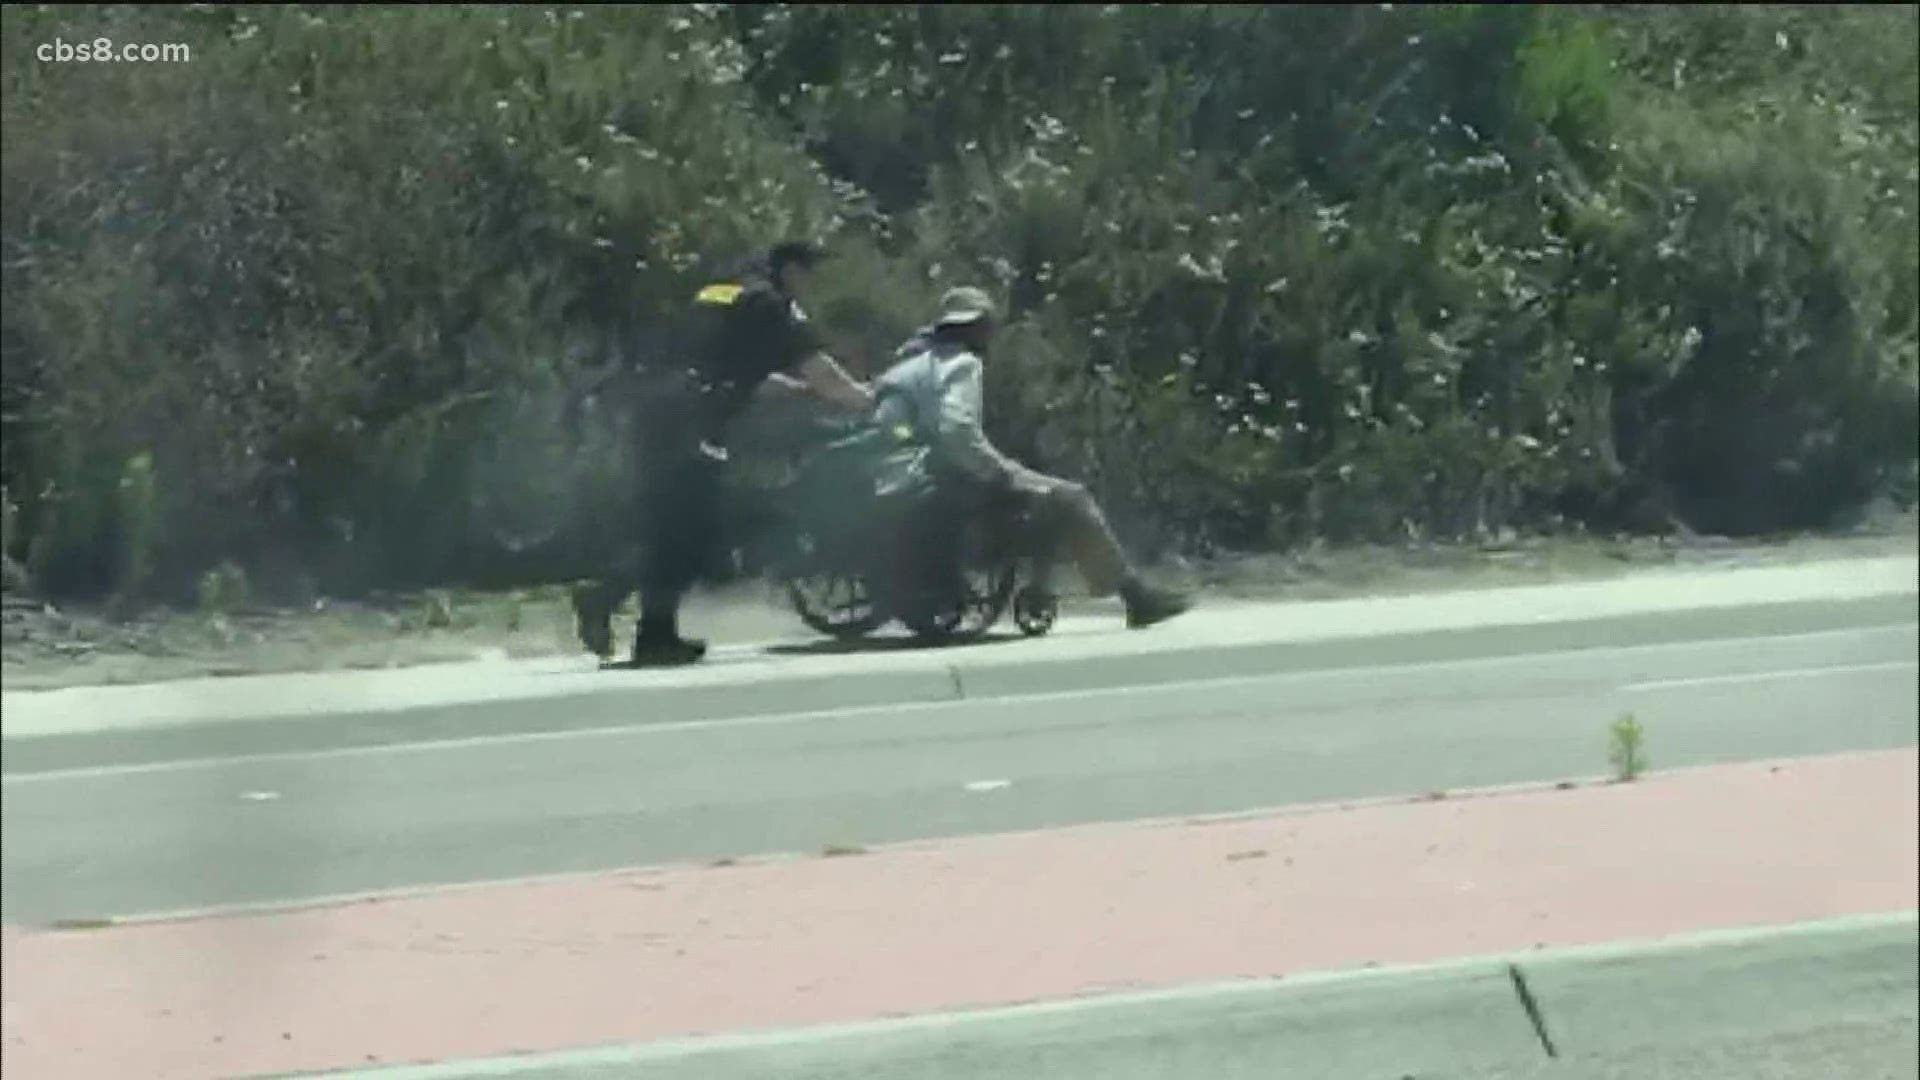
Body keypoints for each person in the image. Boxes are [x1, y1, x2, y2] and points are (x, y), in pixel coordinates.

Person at [573, 240, 873, 666]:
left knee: (673, 529)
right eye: (807, 271)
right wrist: (864, 399)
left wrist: (800, 393)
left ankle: (652, 636)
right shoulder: (773, 306)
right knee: (696, 531)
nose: (810, 283)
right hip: (689, 423)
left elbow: (736, 370)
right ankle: (605, 597)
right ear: (788, 269)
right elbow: (820, 369)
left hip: (655, 412)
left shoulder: (722, 291)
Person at [873, 286, 1192, 629]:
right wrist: (994, 469)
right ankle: (1134, 596)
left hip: (907, 473)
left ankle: (1075, 587)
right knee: (1071, 498)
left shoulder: (910, 365)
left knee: (1041, 489)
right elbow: (956, 429)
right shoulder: (963, 365)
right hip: (956, 475)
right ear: (980, 327)